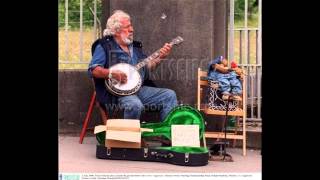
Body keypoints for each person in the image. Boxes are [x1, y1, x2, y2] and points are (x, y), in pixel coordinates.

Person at [88, 10, 177, 121]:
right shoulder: (104, 46)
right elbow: (93, 70)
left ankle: (167, 133)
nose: (132, 29)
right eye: (127, 27)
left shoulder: (135, 47)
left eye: (131, 26)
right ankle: (128, 137)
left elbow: (149, 67)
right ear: (116, 31)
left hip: (138, 89)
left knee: (169, 95)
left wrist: (161, 57)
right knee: (135, 105)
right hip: (117, 94)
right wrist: (111, 74)